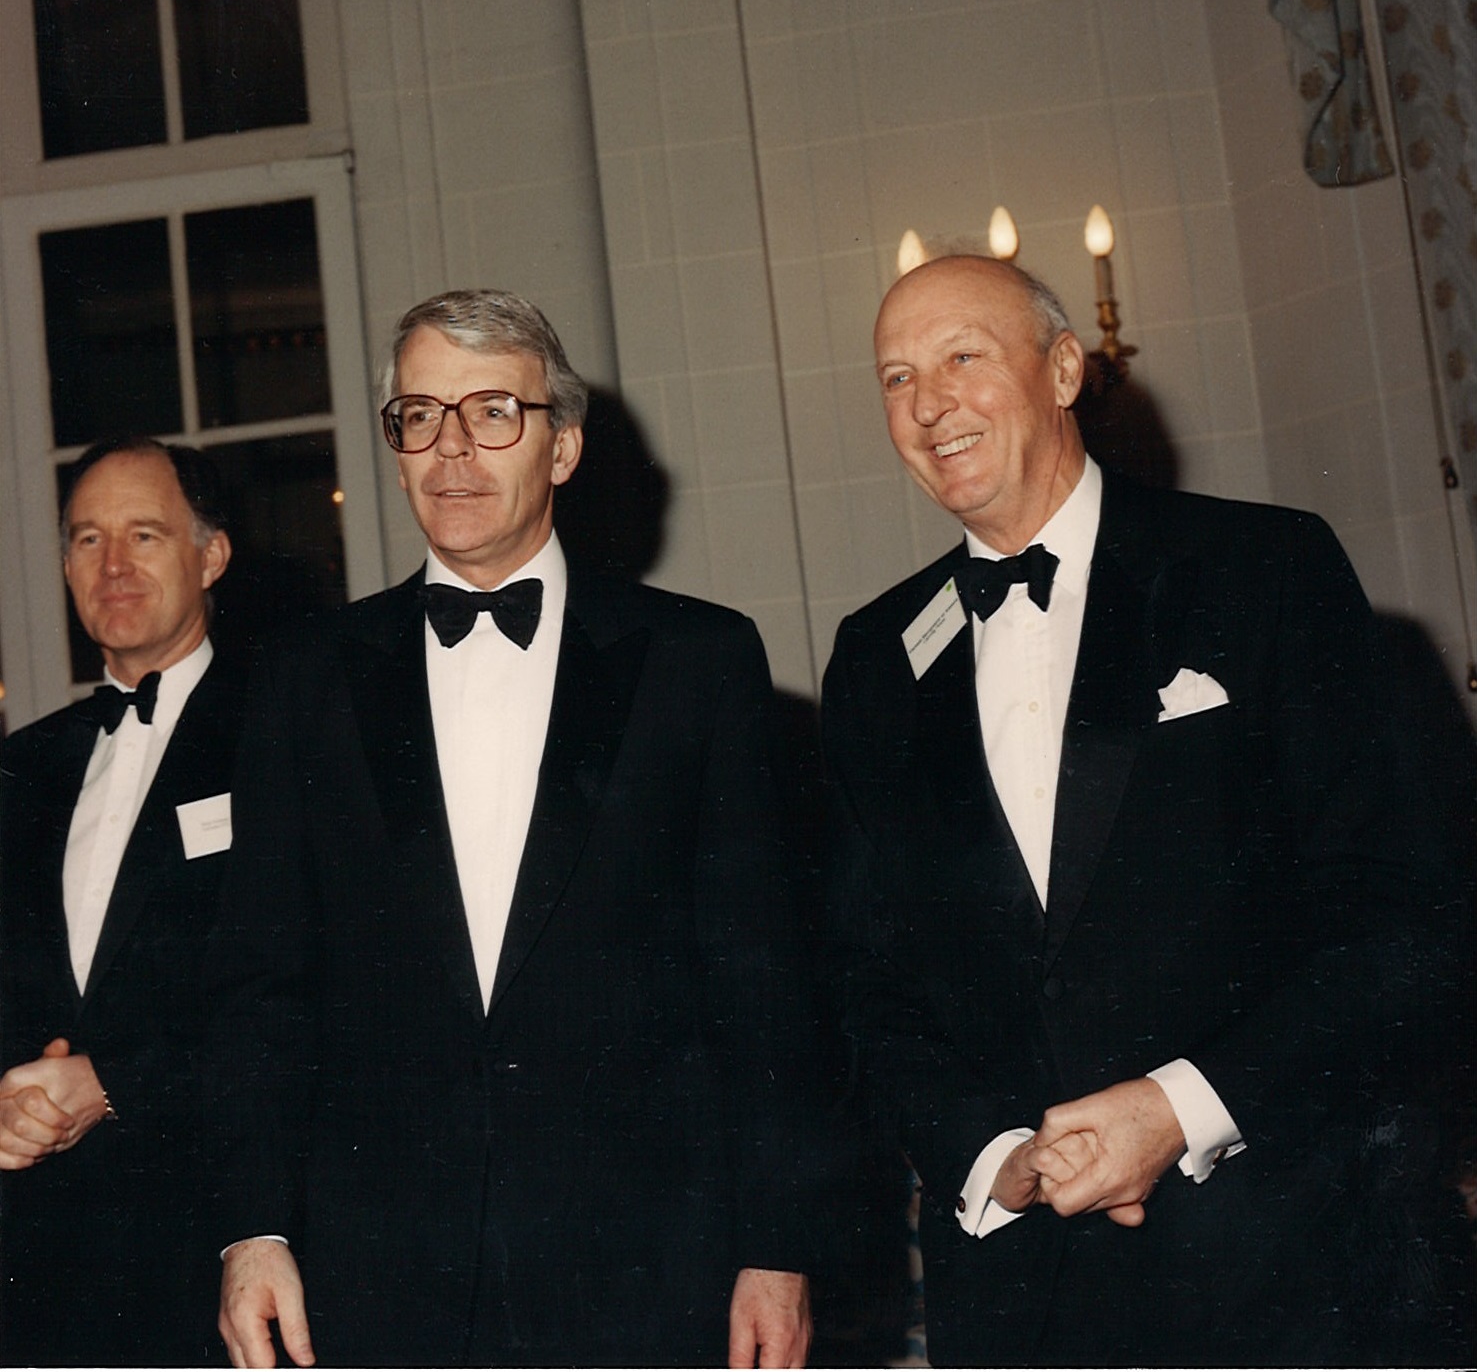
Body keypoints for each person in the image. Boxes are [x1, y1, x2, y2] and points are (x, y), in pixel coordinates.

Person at [821, 254, 1471, 1365]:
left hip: (1295, 1261)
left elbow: (1397, 917)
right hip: (1028, 1298)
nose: (927, 405)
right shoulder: (875, 656)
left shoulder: (1263, 566)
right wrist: (992, 1159)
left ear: (1065, 368)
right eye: (894, 377)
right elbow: (867, 975)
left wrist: (1176, 1109)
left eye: (962, 357)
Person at [206, 288, 814, 1368]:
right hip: (376, 1272)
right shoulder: (303, 679)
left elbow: (757, 980)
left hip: (646, 1264)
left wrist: (776, 1248)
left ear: (564, 445)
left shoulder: (698, 661)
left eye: (493, 411)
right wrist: (253, 1230)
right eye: (419, 415)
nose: (451, 448)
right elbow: (261, 987)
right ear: (392, 448)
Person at [0, 438, 240, 1365]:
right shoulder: (24, 762)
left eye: (144, 534)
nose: (112, 565)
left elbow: (319, 990)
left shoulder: (284, 731)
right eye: (87, 539)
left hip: (217, 1246)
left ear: (210, 555)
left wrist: (115, 1080)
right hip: (43, 1262)